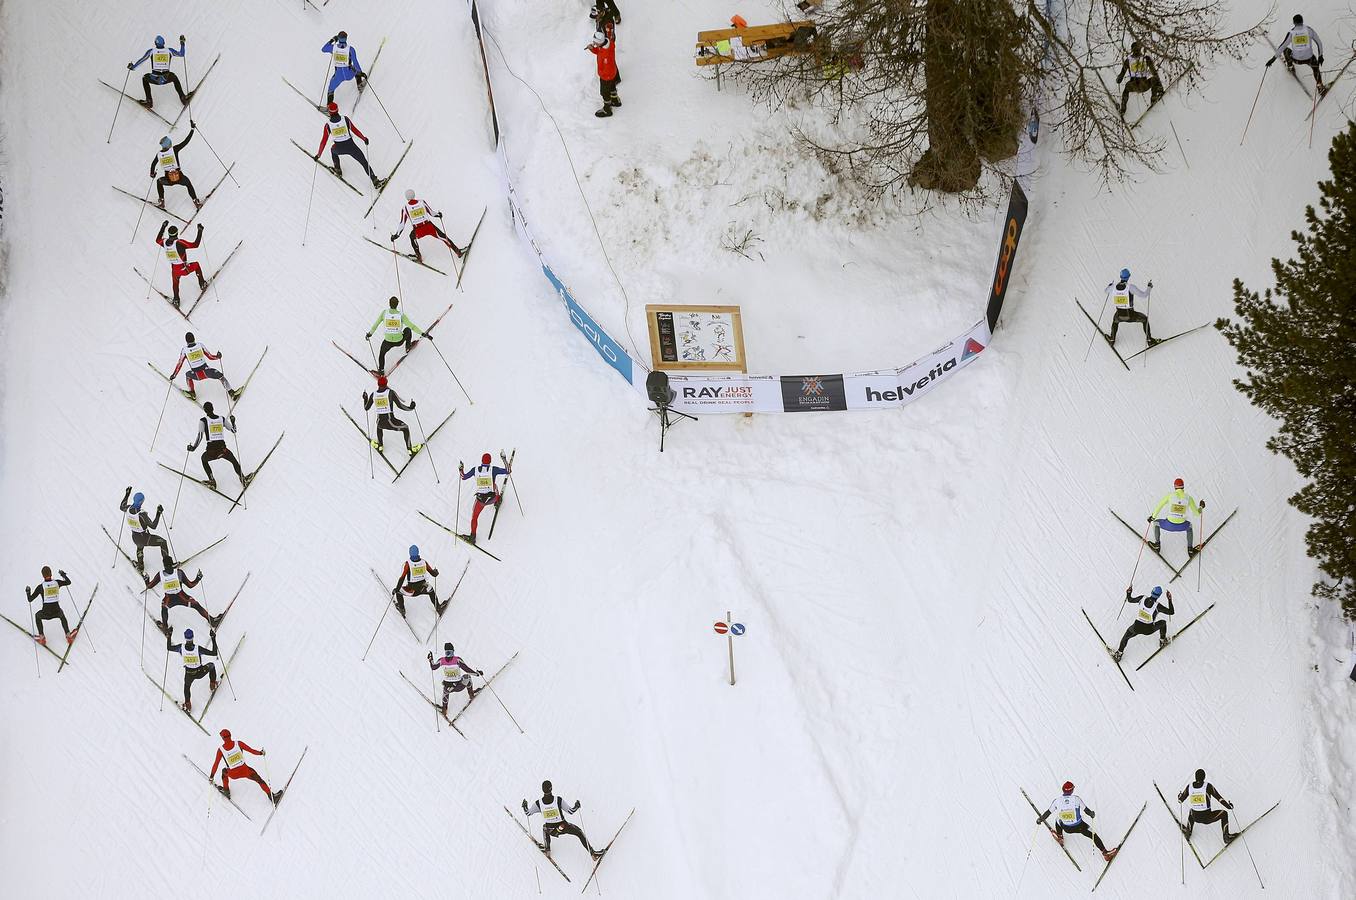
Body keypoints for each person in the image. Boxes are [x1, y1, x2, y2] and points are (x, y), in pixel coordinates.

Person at [1035, 781, 1116, 861]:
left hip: (1067, 828)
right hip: (1080, 827)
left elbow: (1048, 812)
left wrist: (1040, 819)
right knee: (1093, 835)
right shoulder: (1076, 799)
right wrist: (1092, 814)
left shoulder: (1057, 801)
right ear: (1071, 790)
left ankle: (1060, 836)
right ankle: (1105, 853)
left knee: (1058, 819)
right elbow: (1087, 811)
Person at [523, 781, 603, 859]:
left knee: (545, 828)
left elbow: (528, 813)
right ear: (551, 789)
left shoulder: (538, 803)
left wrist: (525, 806)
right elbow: (571, 811)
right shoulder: (558, 800)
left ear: (542, 790)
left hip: (550, 830)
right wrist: (576, 806)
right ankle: (593, 853)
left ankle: (547, 850)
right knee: (579, 832)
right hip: (563, 827)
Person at [144, 558, 220, 635]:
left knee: (164, 608)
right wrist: (198, 578)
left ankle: (165, 627)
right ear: (172, 564)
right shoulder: (179, 572)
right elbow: (190, 585)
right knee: (196, 605)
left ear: (164, 565)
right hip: (182, 597)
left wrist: (146, 579)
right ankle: (212, 621)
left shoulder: (160, 575)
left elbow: (149, 586)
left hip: (169, 599)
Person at [314, 103, 380, 188]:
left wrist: (318, 155)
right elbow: (355, 130)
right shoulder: (345, 119)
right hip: (352, 147)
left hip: (339, 148)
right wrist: (364, 138)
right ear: (338, 110)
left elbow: (323, 141)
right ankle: (375, 181)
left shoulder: (328, 125)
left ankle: (337, 169)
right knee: (364, 162)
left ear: (329, 112)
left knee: (333, 150)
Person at [390, 191, 464, 263]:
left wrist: (396, 235)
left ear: (406, 198)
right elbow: (431, 213)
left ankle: (419, 257)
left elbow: (402, 223)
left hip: (418, 230)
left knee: (412, 237)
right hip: (429, 227)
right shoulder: (422, 202)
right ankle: (458, 252)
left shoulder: (405, 208)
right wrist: (438, 215)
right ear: (414, 195)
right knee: (444, 237)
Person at [187, 401, 247, 489]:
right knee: (234, 461)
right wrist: (233, 422)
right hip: (223, 450)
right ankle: (243, 479)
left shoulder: (203, 421)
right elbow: (234, 431)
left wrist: (193, 448)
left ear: (204, 410)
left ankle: (212, 481)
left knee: (204, 460)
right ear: (213, 408)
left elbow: (200, 436)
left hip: (211, 452)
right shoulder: (221, 419)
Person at [210, 729, 280, 804]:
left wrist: (212, 776)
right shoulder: (238, 743)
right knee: (259, 780)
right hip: (246, 771)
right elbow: (251, 751)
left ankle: (226, 790)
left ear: (222, 738)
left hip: (233, 774)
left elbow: (216, 764)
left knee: (224, 772)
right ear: (230, 735)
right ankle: (272, 797)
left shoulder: (221, 750)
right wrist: (261, 753)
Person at [361, 375, 421, 455]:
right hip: (390, 422)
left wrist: (365, 398)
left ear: (378, 384)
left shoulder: (373, 394)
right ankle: (410, 450)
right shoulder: (390, 393)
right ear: (386, 383)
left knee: (379, 426)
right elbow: (400, 406)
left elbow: (366, 408)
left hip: (380, 423)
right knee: (405, 428)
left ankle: (380, 446)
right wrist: (411, 408)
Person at [1112, 586, 1174, 661]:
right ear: (1159, 595)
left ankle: (1119, 653)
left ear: (1151, 592)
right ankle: (1162, 641)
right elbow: (1171, 612)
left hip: (1136, 628)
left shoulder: (1142, 598)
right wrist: (1169, 599)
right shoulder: (1157, 606)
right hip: (1148, 630)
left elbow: (1130, 600)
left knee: (1126, 637)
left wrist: (1129, 592)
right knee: (1163, 623)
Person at [458, 453, 510, 544]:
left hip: (481, 501)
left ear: (481, 461)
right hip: (492, 498)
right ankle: (497, 501)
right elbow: (508, 470)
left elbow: (463, 477)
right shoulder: (493, 469)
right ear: (490, 461)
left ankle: (472, 536)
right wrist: (504, 459)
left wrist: (461, 469)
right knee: (494, 486)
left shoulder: (475, 470)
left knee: (474, 517)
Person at [127, 34, 189, 109]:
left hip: (154, 78)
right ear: (164, 43)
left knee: (144, 78)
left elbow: (142, 60)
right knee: (174, 77)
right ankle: (183, 98)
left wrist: (132, 67)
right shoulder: (169, 51)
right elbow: (181, 54)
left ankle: (149, 101)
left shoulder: (151, 51)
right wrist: (182, 43)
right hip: (166, 78)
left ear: (155, 43)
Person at [1267, 14, 1325, 93]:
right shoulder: (1309, 30)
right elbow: (1319, 43)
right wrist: (1320, 56)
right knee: (1315, 68)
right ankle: (1320, 86)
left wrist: (1272, 59)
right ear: (1302, 21)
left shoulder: (1291, 33)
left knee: (1286, 50)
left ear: (1294, 22)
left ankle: (1290, 66)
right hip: (1309, 59)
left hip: (1296, 59)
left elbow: (1282, 46)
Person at [170, 331, 237, 400]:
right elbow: (210, 357)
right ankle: (231, 393)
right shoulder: (200, 345)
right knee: (220, 376)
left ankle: (192, 393)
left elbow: (179, 364)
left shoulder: (184, 350)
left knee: (188, 375)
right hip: (207, 372)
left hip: (196, 375)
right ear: (194, 339)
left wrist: (174, 375)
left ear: (186, 341)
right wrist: (218, 356)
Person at [365, 296, 424, 373]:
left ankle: (381, 370)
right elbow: (411, 326)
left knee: (382, 353)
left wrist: (370, 334)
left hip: (387, 342)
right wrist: (422, 333)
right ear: (397, 304)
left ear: (389, 304)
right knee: (408, 330)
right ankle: (408, 346)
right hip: (399, 341)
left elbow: (375, 325)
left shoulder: (384, 313)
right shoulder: (401, 315)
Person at [156, 222, 209, 306]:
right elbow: (195, 244)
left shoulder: (164, 242)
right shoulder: (180, 242)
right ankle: (202, 283)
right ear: (177, 233)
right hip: (184, 269)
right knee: (196, 265)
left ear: (169, 234)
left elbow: (157, 240)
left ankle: (176, 299)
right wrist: (200, 231)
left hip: (175, 270)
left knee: (175, 283)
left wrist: (163, 226)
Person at [1148, 477, 1205, 555]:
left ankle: (1157, 545)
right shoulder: (1189, 498)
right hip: (1182, 526)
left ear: (1175, 486)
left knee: (1155, 523)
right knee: (1190, 526)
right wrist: (1201, 507)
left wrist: (1152, 517)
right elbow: (1197, 513)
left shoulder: (1170, 496)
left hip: (1169, 525)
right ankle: (1190, 549)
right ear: (1183, 487)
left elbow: (1159, 506)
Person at [1177, 769, 1236, 844]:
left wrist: (1179, 796)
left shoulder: (1189, 786)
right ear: (1204, 777)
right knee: (1224, 814)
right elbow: (1219, 798)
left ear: (1195, 777)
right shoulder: (1208, 786)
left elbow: (1180, 800)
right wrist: (1229, 806)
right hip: (1207, 818)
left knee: (1191, 811)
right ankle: (1226, 837)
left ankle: (1188, 832)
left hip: (1195, 817)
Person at [120, 487, 170, 573]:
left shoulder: (127, 508)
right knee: (163, 542)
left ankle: (140, 566)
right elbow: (153, 526)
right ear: (141, 502)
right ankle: (168, 565)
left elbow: (121, 506)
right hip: (145, 538)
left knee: (140, 547)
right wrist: (158, 513)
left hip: (135, 538)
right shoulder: (142, 514)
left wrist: (127, 494)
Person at [168, 627, 219, 712]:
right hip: (200, 672)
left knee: (187, 687)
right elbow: (214, 653)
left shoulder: (181, 648)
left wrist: (169, 636)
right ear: (193, 637)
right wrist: (213, 638)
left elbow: (169, 648)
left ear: (185, 637)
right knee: (211, 666)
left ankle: (188, 705)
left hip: (189, 674)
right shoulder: (198, 649)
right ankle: (212, 684)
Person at [150, 123, 201, 209]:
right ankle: (196, 202)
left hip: (168, 180)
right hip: (180, 177)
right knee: (188, 184)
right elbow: (186, 141)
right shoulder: (174, 149)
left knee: (159, 182)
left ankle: (161, 201)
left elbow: (153, 164)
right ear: (169, 144)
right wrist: (192, 129)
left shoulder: (159, 154)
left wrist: (152, 174)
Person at [24, 567, 74, 646]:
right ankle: (68, 636)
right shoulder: (57, 583)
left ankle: (42, 638)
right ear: (51, 573)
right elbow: (68, 582)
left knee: (37, 616)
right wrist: (63, 575)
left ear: (43, 576)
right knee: (62, 616)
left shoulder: (41, 587)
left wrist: (28, 592)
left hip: (45, 614)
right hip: (57, 612)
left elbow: (30, 599)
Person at [427, 642, 482, 713]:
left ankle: (444, 709)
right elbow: (467, 670)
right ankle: (471, 694)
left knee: (445, 690)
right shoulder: (457, 660)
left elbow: (433, 667)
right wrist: (477, 674)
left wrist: (431, 659)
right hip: (459, 685)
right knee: (467, 677)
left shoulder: (441, 660)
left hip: (449, 688)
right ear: (453, 651)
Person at [1105, 268, 1155, 346]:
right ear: (1129, 277)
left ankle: (1112, 339)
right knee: (1145, 319)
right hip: (1131, 316)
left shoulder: (1113, 287)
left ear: (1120, 276)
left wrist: (1110, 285)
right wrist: (1149, 287)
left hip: (1119, 316)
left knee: (1115, 321)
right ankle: (1149, 340)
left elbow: (1106, 291)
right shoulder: (1131, 287)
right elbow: (1144, 295)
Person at [1115, 41, 1165, 117]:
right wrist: (1160, 87)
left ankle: (1122, 110)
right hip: (1144, 85)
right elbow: (1154, 73)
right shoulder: (1146, 58)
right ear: (1140, 49)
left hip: (1133, 86)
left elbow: (1121, 76)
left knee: (1126, 88)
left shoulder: (1129, 60)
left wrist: (1118, 79)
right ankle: (1154, 98)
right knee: (1154, 79)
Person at [321, 31, 367, 106]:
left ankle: (329, 107)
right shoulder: (351, 49)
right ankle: (360, 85)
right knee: (354, 69)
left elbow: (323, 49)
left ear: (338, 38)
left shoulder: (333, 48)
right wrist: (360, 73)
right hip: (349, 74)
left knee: (331, 89)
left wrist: (332, 40)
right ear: (346, 38)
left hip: (338, 76)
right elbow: (355, 63)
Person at [394, 545, 441, 616]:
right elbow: (433, 574)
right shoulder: (423, 562)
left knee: (398, 592)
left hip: (411, 590)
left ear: (410, 553)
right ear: (418, 552)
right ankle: (439, 608)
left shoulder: (408, 564)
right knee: (431, 590)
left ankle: (402, 610)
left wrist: (396, 589)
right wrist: (436, 572)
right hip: (423, 588)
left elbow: (402, 578)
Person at [588, 31, 621, 118]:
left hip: (606, 76)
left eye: (595, 42)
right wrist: (592, 48)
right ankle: (615, 100)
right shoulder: (607, 43)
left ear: (599, 43)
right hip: (613, 73)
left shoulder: (605, 54)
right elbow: (599, 51)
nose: (594, 43)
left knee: (604, 92)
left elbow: (603, 59)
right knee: (612, 86)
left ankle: (607, 109)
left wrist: (602, 75)